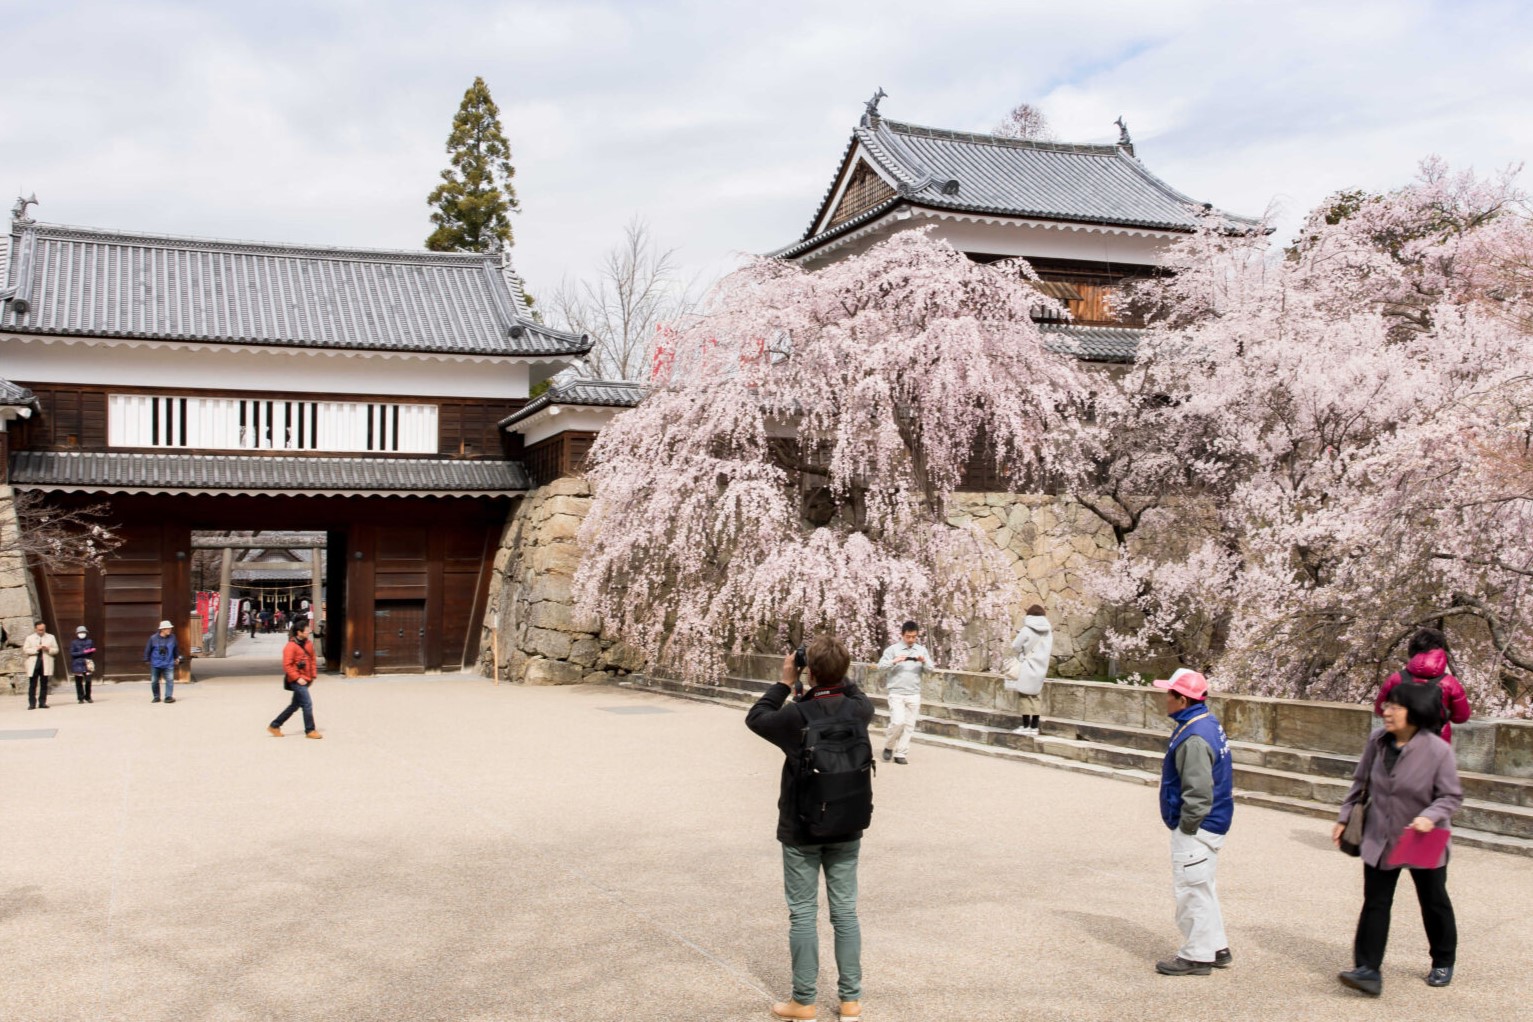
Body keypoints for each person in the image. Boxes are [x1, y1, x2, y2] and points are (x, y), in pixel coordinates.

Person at [747, 635, 873, 1022]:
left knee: (803, 913)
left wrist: (787, 681)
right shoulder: (859, 709)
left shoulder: (796, 716)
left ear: (810, 671)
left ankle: (804, 1001)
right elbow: (849, 691)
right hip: (848, 823)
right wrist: (833, 674)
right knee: (845, 912)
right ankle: (850, 1000)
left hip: (803, 827)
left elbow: (756, 717)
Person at [1334, 681, 1462, 996]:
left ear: (1415, 713)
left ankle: (1443, 960)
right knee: (1376, 902)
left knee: (1433, 900)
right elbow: (1360, 783)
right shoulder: (1377, 741)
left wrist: (1428, 817)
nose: (1386, 712)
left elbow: (1451, 796)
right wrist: (1343, 817)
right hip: (1381, 831)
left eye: (1394, 707)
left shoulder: (1437, 750)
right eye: (1386, 705)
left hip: (1424, 834)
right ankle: (1367, 969)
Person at [1152, 667, 1235, 976]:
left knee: (1191, 889)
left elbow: (1198, 792)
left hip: (1198, 826)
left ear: (1183, 701)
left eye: (1170, 694)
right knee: (1203, 886)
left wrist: (1186, 826)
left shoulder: (1195, 736)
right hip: (1213, 822)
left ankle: (1198, 955)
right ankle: (1215, 946)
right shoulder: (1207, 724)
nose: (1166, 699)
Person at [1374, 628, 1471, 742]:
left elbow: (1380, 710)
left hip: (1402, 743)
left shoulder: (1396, 679)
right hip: (1436, 744)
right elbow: (1461, 717)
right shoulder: (1450, 683)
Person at [876, 620, 932, 765]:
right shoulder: (892, 649)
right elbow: (881, 666)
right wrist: (894, 661)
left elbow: (931, 669)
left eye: (914, 637)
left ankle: (901, 753)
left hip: (914, 692)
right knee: (898, 721)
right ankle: (889, 746)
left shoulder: (921, 650)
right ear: (902, 635)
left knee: (909, 725)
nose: (911, 639)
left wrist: (923, 661)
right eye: (908, 636)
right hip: (896, 692)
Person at [269, 620, 322, 739]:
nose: (308, 632)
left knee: (294, 705)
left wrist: (313, 675)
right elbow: (287, 665)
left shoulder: (308, 644)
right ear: (299, 632)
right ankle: (310, 730)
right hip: (296, 679)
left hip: (306, 678)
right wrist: (297, 678)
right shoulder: (290, 646)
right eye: (306, 630)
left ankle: (275, 725)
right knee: (307, 704)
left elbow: (312, 659)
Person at [1005, 604, 1053, 735]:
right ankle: (1035, 727)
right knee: (1036, 696)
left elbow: (1015, 646)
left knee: (1024, 695)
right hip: (1041, 667)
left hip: (1027, 665)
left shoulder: (1026, 630)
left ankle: (1026, 726)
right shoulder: (1048, 632)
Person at [22, 620, 58, 710]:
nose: (41, 631)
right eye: (40, 630)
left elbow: (56, 650)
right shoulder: (29, 638)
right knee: (32, 684)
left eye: (43, 629)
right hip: (34, 663)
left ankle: (42, 702)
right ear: (36, 629)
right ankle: (32, 703)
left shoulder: (51, 637)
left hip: (45, 663)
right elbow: (25, 650)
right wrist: (36, 649)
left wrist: (48, 649)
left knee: (44, 684)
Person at [143, 620, 179, 703]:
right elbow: (148, 649)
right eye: (167, 629)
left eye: (170, 628)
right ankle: (156, 697)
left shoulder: (173, 638)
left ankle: (168, 697)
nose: (169, 630)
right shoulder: (153, 638)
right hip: (156, 663)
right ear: (162, 629)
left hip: (168, 662)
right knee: (154, 681)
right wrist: (146, 658)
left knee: (170, 680)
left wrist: (176, 657)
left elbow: (175, 648)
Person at [69, 625, 97, 704]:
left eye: (83, 632)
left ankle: (88, 696)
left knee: (88, 680)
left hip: (87, 662)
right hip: (77, 663)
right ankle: (80, 698)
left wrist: (92, 650)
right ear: (77, 633)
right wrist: (83, 652)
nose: (82, 634)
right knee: (78, 681)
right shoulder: (74, 642)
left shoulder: (90, 641)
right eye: (80, 632)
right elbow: (72, 653)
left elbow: (92, 650)